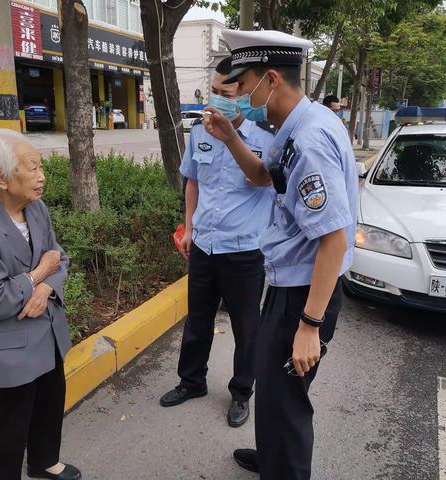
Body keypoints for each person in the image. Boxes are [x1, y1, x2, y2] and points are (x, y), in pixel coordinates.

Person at [203, 30, 358, 479]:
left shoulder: (308, 141)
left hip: (306, 293)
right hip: (289, 281)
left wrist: (309, 326)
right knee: (271, 387)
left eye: (240, 82)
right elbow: (262, 177)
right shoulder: (295, 125)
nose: (234, 92)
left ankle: (284, 468)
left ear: (270, 79)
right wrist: (232, 136)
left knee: (287, 398)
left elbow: (334, 240)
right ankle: (273, 458)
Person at [160, 57, 275, 428]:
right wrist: (189, 228)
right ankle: (191, 381)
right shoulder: (199, 133)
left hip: (244, 251)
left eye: (225, 93)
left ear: (244, 95)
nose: (217, 100)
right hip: (205, 246)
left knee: (246, 327)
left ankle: (242, 391)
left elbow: (265, 183)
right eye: (213, 92)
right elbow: (193, 182)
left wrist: (233, 137)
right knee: (198, 320)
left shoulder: (266, 141)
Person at [0, 129, 81, 480]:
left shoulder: (36, 209)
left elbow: (59, 257)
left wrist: (44, 288)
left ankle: (44, 461)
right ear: (0, 177)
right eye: (31, 168)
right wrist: (39, 273)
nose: (41, 176)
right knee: (8, 426)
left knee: (48, 405)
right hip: (7, 347)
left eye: (40, 166)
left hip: (45, 331)